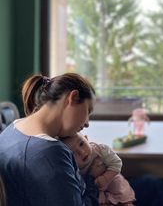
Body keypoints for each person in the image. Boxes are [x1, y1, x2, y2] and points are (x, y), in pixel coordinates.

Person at [0, 73, 99, 206]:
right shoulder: (51, 152)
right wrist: (93, 180)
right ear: (72, 98)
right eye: (88, 111)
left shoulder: (11, 129)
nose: (87, 123)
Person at [62, 133, 135, 205]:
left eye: (81, 144)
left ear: (86, 139)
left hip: (112, 179)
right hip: (96, 189)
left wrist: (105, 178)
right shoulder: (72, 167)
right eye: (73, 153)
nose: (82, 152)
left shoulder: (100, 149)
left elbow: (117, 163)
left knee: (119, 189)